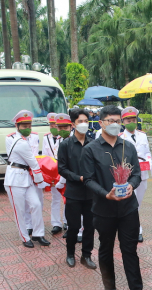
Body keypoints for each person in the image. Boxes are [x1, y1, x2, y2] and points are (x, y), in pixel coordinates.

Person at [81, 105, 152, 290]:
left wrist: (131, 186)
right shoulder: (91, 150)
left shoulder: (128, 146)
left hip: (128, 209)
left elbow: (137, 174)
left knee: (130, 250)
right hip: (104, 210)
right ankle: (110, 286)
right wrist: (106, 194)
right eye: (110, 121)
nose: (114, 124)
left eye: (117, 121)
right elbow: (88, 179)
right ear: (101, 123)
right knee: (105, 249)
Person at [4, 110, 50, 248]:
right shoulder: (18, 141)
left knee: (36, 205)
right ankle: (24, 237)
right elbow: (34, 163)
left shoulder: (26, 139)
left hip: (26, 177)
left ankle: (38, 233)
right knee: (19, 211)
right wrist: (41, 182)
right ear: (17, 126)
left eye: (29, 125)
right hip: (14, 178)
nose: (27, 128)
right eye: (24, 126)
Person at [57, 108, 96, 269]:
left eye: (86, 121)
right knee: (73, 226)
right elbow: (62, 169)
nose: (84, 124)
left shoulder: (93, 144)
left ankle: (86, 255)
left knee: (90, 226)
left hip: (91, 193)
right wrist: (78, 178)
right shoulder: (65, 145)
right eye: (80, 121)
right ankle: (70, 253)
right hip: (73, 192)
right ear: (73, 124)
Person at [119, 106, 151, 243]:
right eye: (128, 120)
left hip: (143, 175)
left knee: (138, 203)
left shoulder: (142, 135)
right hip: (128, 177)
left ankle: (132, 226)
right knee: (131, 203)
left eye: (133, 119)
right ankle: (137, 230)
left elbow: (148, 153)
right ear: (123, 122)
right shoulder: (120, 137)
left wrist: (149, 161)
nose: (131, 122)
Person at [42, 112, 70, 235]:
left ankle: (67, 221)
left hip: (65, 171)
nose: (54, 127)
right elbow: (45, 157)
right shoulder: (46, 138)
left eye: (56, 125)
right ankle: (55, 223)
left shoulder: (66, 139)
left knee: (67, 198)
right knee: (55, 198)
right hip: (53, 172)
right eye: (52, 125)